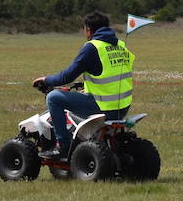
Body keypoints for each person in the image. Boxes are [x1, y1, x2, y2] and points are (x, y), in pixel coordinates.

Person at [32, 10, 136, 159]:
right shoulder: (121, 45)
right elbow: (109, 75)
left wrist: (46, 80)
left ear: (88, 29)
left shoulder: (92, 48)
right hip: (122, 108)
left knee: (54, 98)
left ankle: (63, 146)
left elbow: (67, 76)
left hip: (102, 107)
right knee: (76, 95)